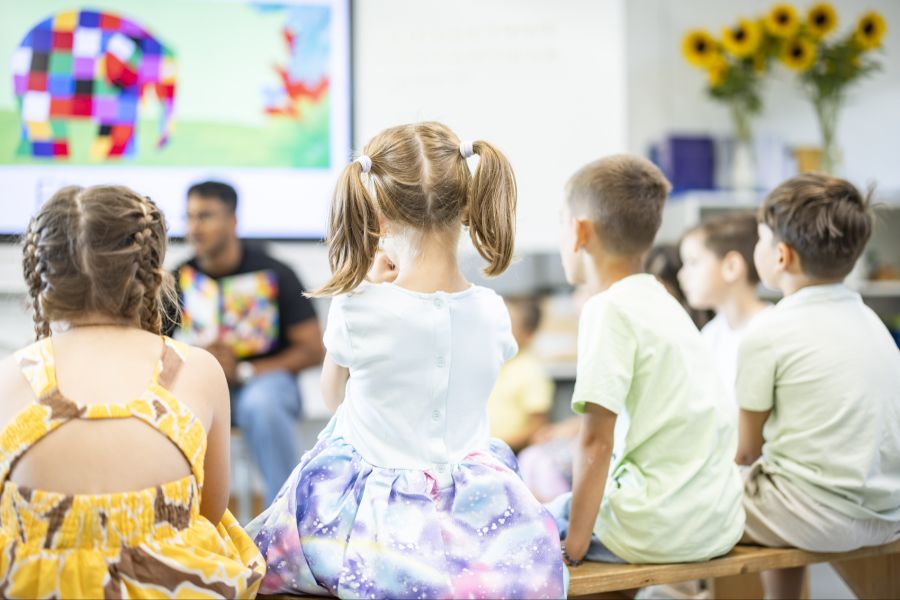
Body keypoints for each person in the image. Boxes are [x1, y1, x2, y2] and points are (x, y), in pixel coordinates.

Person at [246, 122, 566, 599]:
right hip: (476, 512)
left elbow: (334, 397)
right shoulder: (492, 311)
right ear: (466, 208)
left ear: (379, 215)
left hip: (373, 524)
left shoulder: (358, 306)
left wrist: (371, 289)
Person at [0, 185, 263, 597]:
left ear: (43, 276)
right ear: (155, 275)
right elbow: (208, 514)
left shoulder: (10, 377)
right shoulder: (196, 370)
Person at [550, 154, 744, 567]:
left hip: (655, 527)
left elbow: (595, 442)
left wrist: (576, 546)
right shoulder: (663, 301)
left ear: (579, 232)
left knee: (534, 524)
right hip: (716, 521)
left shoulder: (607, 309)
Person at [736, 174, 900, 599]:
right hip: (887, 511)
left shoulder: (767, 330)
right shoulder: (873, 324)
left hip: (818, 517)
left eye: (759, 238)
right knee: (780, 480)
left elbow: (745, 451)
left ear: (782, 256)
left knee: (697, 497)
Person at [172, 181, 325, 504]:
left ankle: (285, 518)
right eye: (189, 218)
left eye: (205, 217)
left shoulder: (276, 273)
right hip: (203, 390)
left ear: (232, 221)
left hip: (263, 387)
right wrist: (198, 360)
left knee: (262, 403)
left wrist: (245, 370)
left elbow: (313, 349)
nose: (194, 228)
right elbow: (155, 350)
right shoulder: (176, 280)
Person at [678, 213, 770, 412]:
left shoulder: (770, 329)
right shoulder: (711, 334)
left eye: (693, 262)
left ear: (732, 266)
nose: (682, 275)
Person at [488, 296, 554, 453]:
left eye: (506, 326)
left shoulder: (531, 371)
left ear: (528, 334)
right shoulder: (488, 364)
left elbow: (537, 426)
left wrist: (494, 445)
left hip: (508, 454)